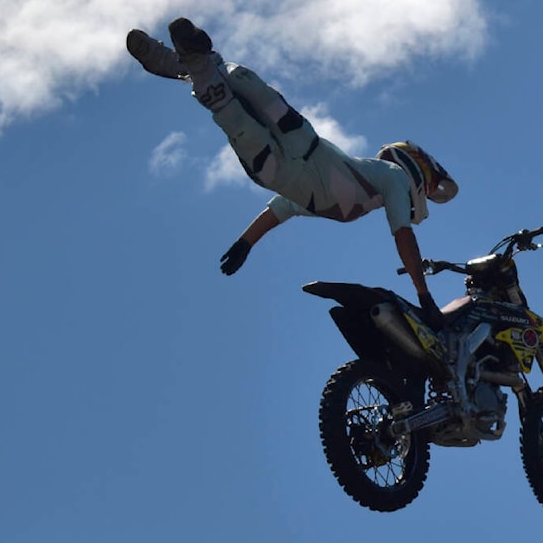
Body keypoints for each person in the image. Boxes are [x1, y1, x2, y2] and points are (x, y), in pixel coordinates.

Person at [126, 18, 458, 328]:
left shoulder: (362, 197)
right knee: (234, 116)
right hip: (291, 164)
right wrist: (425, 297)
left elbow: (281, 209)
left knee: (240, 100)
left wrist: (245, 242)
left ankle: (196, 66)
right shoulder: (393, 176)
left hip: (296, 163)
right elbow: (403, 236)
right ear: (416, 169)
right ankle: (196, 66)